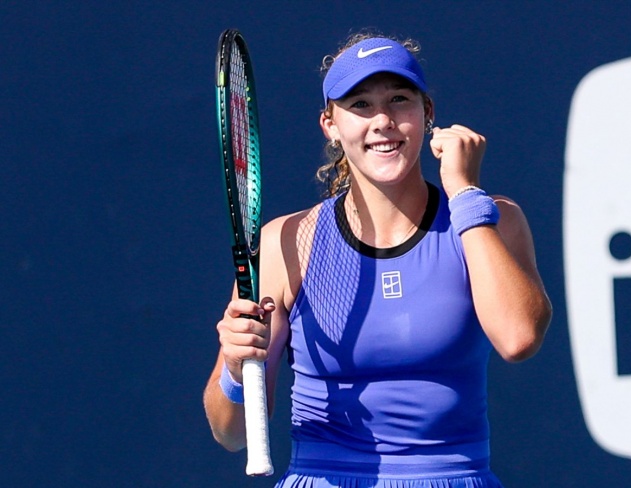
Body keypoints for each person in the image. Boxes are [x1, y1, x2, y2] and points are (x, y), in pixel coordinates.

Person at [203, 31, 552, 487]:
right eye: (361, 105)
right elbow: (231, 434)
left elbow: (519, 339)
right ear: (330, 124)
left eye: (399, 100)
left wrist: (465, 193)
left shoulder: (489, 220)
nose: (383, 120)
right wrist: (235, 369)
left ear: (427, 112)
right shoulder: (283, 243)